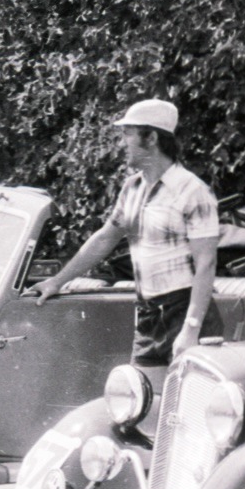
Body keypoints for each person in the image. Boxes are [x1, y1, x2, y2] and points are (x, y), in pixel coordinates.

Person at [26, 98, 222, 365]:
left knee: (188, 403)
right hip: (148, 315)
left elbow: (206, 264)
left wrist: (191, 329)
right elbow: (106, 237)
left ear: (151, 138)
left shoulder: (193, 191)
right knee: (138, 401)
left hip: (186, 312)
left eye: (127, 135)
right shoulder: (132, 188)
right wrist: (56, 281)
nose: (122, 144)